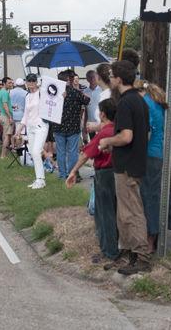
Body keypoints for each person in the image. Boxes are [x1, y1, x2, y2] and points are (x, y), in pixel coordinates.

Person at [99, 60, 150, 276]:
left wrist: (108, 142)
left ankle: (142, 257)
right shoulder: (138, 100)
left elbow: (127, 136)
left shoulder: (127, 103)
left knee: (132, 213)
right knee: (124, 214)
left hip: (128, 167)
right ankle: (129, 254)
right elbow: (143, 134)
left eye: (111, 75)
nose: (109, 79)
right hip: (131, 163)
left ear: (119, 79)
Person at [66, 99, 119, 263]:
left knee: (104, 214)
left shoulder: (105, 133)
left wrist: (73, 171)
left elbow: (86, 154)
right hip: (118, 173)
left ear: (102, 114)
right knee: (115, 212)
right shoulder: (119, 130)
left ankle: (109, 251)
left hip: (104, 173)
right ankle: (115, 247)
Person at [134, 80, 171, 253]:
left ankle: (150, 238)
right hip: (163, 154)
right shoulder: (161, 104)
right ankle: (160, 230)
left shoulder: (145, 103)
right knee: (161, 195)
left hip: (150, 154)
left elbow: (147, 131)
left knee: (149, 198)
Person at [52, 70, 89, 180]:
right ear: (70, 80)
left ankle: (62, 175)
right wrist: (81, 92)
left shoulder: (55, 93)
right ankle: (72, 174)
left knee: (60, 151)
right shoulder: (76, 92)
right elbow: (87, 101)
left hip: (58, 126)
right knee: (73, 152)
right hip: (73, 126)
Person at [15, 74, 49, 189]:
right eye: (29, 81)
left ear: (36, 81)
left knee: (36, 151)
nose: (31, 83)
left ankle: (41, 180)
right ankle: (38, 178)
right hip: (30, 127)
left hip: (41, 126)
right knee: (33, 153)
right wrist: (19, 129)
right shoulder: (27, 96)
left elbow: (54, 98)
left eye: (33, 81)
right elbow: (25, 114)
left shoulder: (42, 93)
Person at [83, 70, 103, 140]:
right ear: (87, 79)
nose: (92, 79)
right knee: (93, 142)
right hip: (90, 122)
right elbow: (86, 109)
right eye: (90, 77)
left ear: (97, 77)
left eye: (93, 77)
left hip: (100, 122)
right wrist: (84, 124)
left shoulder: (102, 90)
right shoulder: (85, 92)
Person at [0, 77, 15, 159]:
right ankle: (3, 155)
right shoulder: (4, 92)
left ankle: (4, 154)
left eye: (11, 83)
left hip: (3, 115)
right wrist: (10, 117)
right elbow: (5, 105)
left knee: (5, 135)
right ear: (4, 83)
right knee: (7, 136)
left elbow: (4, 105)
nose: (11, 84)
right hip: (6, 116)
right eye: (9, 83)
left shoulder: (1, 91)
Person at [10, 78, 28, 147]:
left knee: (12, 132)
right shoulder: (25, 93)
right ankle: (18, 147)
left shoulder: (10, 92)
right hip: (21, 115)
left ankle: (13, 146)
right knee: (19, 133)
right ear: (23, 84)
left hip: (11, 114)